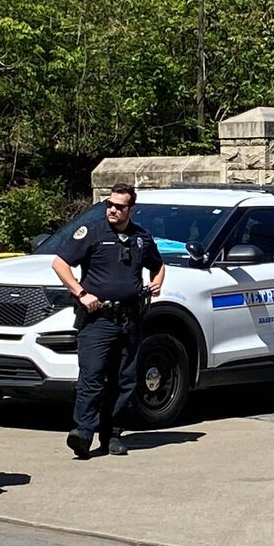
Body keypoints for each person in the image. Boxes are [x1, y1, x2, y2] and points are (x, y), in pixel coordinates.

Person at [52, 183, 165, 458]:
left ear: (131, 209)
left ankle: (112, 434)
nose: (113, 210)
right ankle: (82, 433)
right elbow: (59, 263)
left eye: (120, 206)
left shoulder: (141, 237)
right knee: (92, 378)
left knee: (124, 380)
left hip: (130, 318)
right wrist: (80, 293)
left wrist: (157, 282)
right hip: (98, 319)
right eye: (110, 205)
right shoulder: (92, 232)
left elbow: (158, 265)